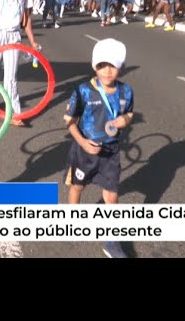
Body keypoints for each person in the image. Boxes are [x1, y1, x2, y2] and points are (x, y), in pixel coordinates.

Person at [62, 38, 134, 258]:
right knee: (77, 187)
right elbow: (69, 120)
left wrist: (126, 120)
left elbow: (129, 113)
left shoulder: (126, 91)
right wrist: (83, 142)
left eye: (112, 65)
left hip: (111, 153)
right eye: (102, 65)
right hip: (85, 151)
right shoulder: (83, 91)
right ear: (95, 66)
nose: (107, 71)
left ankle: (112, 243)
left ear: (120, 67)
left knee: (112, 197)